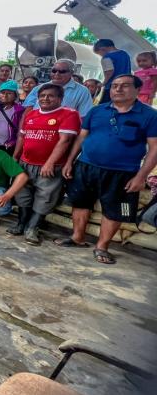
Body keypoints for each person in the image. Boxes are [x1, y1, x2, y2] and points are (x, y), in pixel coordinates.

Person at [61, 74, 157, 264]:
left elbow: (155, 148)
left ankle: (102, 246)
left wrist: (141, 176)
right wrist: (70, 161)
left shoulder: (149, 115)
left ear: (138, 90)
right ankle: (77, 238)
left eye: (125, 86)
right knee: (80, 202)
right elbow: (81, 138)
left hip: (122, 172)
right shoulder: (97, 111)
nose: (118, 89)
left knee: (114, 211)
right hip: (86, 166)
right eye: (114, 86)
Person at [10, 84, 81, 244]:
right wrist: (15, 157)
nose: (45, 99)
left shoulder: (69, 114)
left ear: (60, 99)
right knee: (22, 193)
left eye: (51, 96)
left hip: (50, 166)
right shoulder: (31, 114)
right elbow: (22, 137)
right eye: (42, 96)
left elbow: (65, 140)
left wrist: (50, 163)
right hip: (25, 162)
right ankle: (21, 223)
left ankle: (33, 228)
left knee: (46, 196)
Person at [23, 59, 94, 118]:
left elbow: (84, 117)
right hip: (35, 130)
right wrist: (21, 132)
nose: (57, 74)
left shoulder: (82, 91)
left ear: (71, 73)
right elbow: (27, 113)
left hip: (63, 132)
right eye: (54, 71)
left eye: (62, 71)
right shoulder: (38, 88)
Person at [0, 80, 25, 154]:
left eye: (9, 93)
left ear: (15, 96)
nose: (5, 95)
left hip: (7, 146)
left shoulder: (20, 110)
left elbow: (21, 130)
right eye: (2, 92)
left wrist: (13, 142)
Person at [93, 38, 132, 103]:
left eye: (99, 54)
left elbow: (109, 72)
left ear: (102, 49)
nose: (101, 56)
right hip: (125, 86)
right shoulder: (125, 54)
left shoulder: (107, 57)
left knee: (104, 106)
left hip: (112, 86)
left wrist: (103, 83)